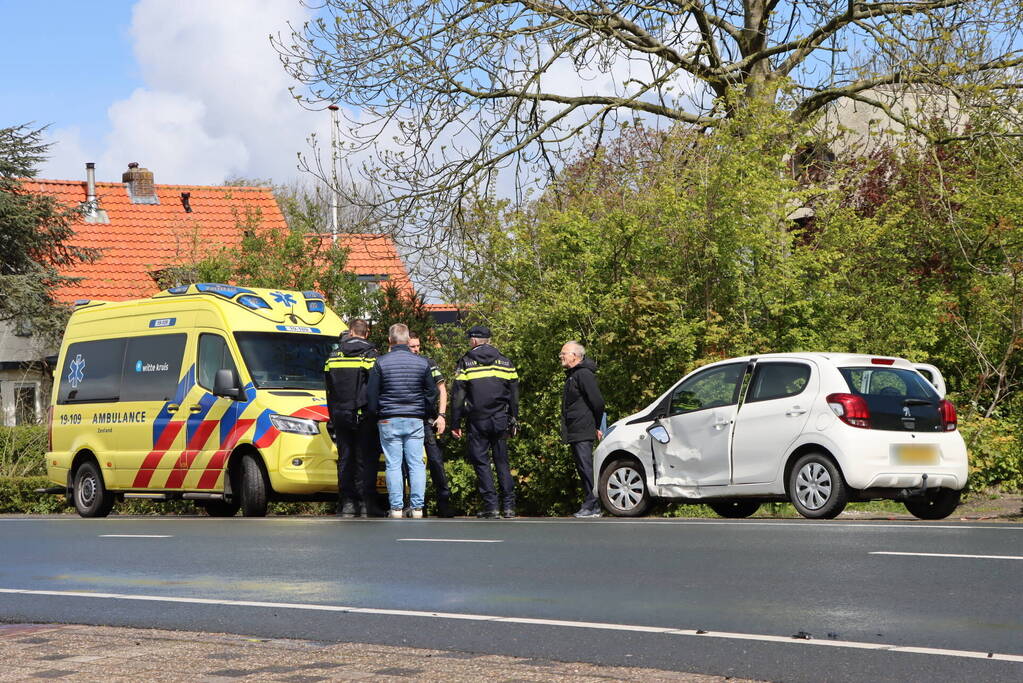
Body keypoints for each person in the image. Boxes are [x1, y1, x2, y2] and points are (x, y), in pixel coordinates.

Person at [367, 323, 438, 519]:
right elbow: (431, 392)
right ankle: (417, 508)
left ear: (390, 340)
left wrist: (376, 414)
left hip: (389, 418)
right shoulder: (422, 363)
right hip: (415, 418)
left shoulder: (380, 363)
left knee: (393, 464)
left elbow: (372, 393)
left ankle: (396, 508)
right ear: (408, 341)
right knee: (416, 464)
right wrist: (425, 411)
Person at [451, 325, 519, 519]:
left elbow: (458, 396)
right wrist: (514, 418)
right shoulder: (505, 361)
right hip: (500, 419)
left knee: (481, 463)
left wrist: (455, 423)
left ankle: (491, 506)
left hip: (477, 420)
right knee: (502, 462)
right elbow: (514, 394)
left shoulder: (466, 362)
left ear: (473, 341)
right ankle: (509, 507)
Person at [323, 319, 380, 517]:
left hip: (340, 413)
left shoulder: (333, 355)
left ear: (350, 331)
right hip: (363, 414)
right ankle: (365, 504)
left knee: (345, 458)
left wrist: (332, 414)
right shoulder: (370, 355)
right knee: (365, 458)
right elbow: (374, 387)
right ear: (367, 332)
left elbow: (328, 388)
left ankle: (347, 503)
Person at [408, 333, 454, 517]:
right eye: (412, 346)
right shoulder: (403, 364)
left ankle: (444, 502)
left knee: (435, 460)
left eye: (418, 346)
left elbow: (442, 389)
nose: (416, 349)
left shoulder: (429, 362)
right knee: (410, 463)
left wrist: (442, 415)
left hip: (427, 420)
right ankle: (416, 504)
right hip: (410, 419)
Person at [559, 341, 605, 518]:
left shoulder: (583, 374)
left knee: (586, 466)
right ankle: (591, 504)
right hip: (576, 428)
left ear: (575, 356)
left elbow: (598, 402)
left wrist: (596, 425)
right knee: (582, 466)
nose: (561, 357)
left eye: (564, 353)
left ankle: (592, 504)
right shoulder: (573, 375)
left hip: (583, 427)